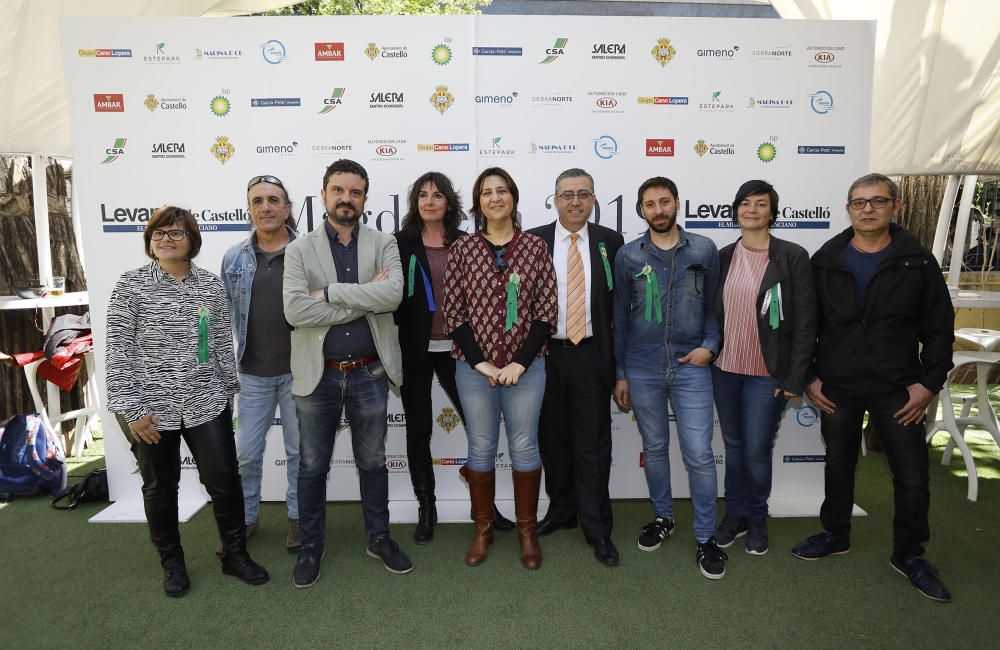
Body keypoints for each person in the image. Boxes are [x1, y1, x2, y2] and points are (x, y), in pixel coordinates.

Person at [792, 173, 955, 603]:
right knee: (838, 464)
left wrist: (928, 384)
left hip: (898, 387)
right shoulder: (825, 259)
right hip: (838, 385)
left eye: (877, 201)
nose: (868, 209)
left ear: (895, 207)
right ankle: (835, 533)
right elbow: (806, 324)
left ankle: (909, 553)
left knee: (912, 474)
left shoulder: (917, 261)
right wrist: (809, 375)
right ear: (848, 209)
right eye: (859, 202)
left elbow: (939, 329)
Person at [105, 206, 269, 598]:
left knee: (226, 483)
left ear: (192, 240)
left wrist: (228, 390)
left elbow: (220, 346)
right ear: (149, 241)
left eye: (175, 233)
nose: (165, 239)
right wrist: (133, 410)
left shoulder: (210, 286)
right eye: (158, 234)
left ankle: (234, 555)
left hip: (206, 402)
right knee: (161, 488)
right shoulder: (130, 286)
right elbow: (117, 351)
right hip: (149, 410)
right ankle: (172, 565)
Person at [283, 159, 410, 588]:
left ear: (364, 198)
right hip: (317, 375)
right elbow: (295, 309)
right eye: (338, 190)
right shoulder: (300, 249)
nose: (346, 199)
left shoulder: (384, 242)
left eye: (355, 192)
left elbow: (393, 296)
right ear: (323, 194)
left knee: (373, 462)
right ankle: (311, 547)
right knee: (313, 465)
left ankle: (379, 538)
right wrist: (365, 296)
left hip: (369, 373)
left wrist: (332, 293)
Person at [612, 176, 727, 580]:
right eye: (650, 204)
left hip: (691, 366)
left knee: (698, 452)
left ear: (678, 203)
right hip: (642, 367)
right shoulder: (628, 256)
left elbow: (716, 305)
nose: (658, 210)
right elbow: (620, 319)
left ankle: (705, 538)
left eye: (665, 202)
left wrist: (710, 344)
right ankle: (663, 517)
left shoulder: (704, 249)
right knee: (655, 447)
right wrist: (621, 373)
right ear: (641, 210)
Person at [443, 167, 557, 570]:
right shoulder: (463, 250)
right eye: (487, 192)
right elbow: (454, 314)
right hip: (474, 371)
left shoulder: (535, 248)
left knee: (525, 446)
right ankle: (483, 528)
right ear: (478, 202)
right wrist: (483, 363)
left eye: (502, 190)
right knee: (480, 447)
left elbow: (546, 313)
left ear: (514, 197)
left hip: (527, 370)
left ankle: (527, 530)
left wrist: (518, 363)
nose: (495, 198)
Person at [393, 171, 513, 544]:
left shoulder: (467, 243)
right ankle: (427, 507)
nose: (430, 201)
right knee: (419, 431)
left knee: (480, 430)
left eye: (438, 195)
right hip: (413, 351)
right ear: (416, 202)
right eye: (423, 195)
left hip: (462, 352)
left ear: (450, 203)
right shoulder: (398, 244)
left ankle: (486, 506)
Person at [711, 180, 817, 556]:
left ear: (773, 212)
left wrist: (794, 378)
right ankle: (735, 515)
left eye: (761, 204)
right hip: (725, 369)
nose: (752, 210)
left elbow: (806, 322)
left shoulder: (792, 256)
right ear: (735, 210)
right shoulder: (722, 256)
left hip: (767, 373)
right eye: (745, 203)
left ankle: (756, 517)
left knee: (756, 450)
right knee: (734, 446)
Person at [526, 168, 624, 567]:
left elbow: (620, 305)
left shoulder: (610, 242)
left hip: (591, 354)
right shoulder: (533, 240)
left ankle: (597, 527)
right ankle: (562, 510)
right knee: (553, 441)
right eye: (567, 194)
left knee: (593, 445)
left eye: (583, 194)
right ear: (554, 199)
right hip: (544, 355)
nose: (575, 201)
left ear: (594, 198)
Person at [220, 174, 301, 554]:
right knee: (247, 453)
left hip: (301, 373)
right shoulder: (234, 258)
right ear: (249, 209)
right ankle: (247, 518)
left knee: (300, 452)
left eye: (273, 200)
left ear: (287, 207)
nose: (265, 207)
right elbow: (222, 318)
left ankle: (299, 519)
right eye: (257, 201)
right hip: (251, 373)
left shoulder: (308, 252)